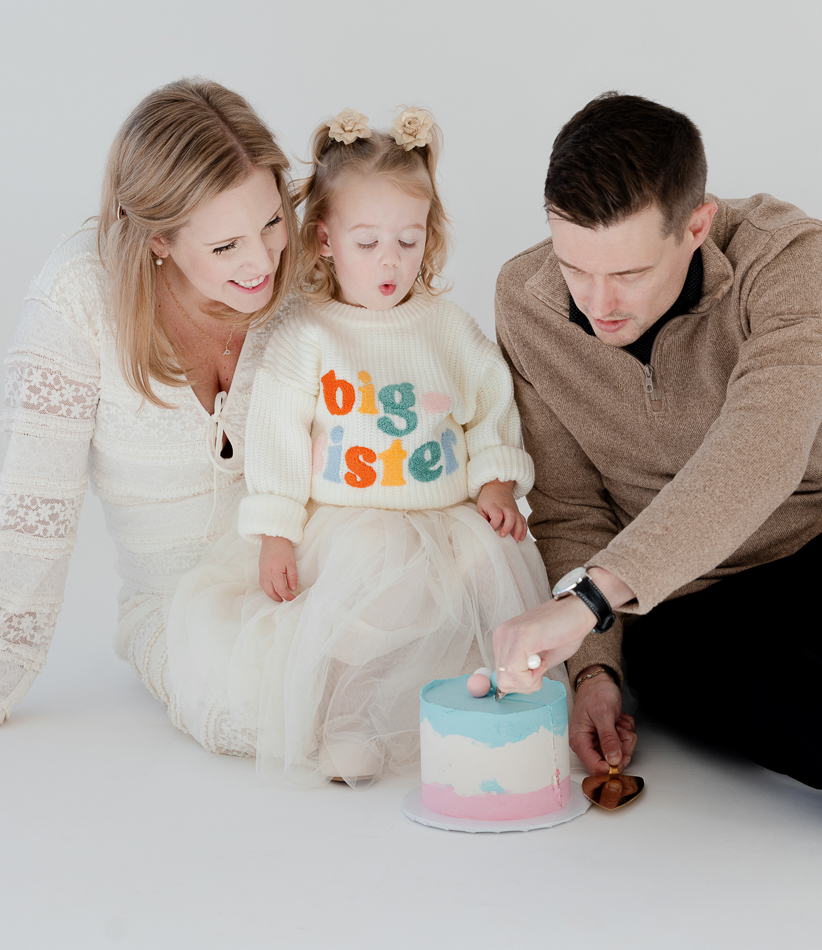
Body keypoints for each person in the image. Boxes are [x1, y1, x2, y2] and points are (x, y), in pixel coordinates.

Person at [492, 91, 822, 853]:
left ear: (695, 224)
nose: (597, 304)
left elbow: (761, 447)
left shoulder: (788, 253)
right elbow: (567, 507)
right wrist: (594, 669)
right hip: (686, 615)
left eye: (627, 273)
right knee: (783, 706)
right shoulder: (524, 301)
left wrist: (588, 601)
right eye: (574, 268)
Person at [166, 106, 557, 787]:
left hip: (443, 521)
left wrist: (496, 480)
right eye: (368, 242)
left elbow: (491, 407)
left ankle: (488, 714)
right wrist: (277, 533)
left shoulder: (445, 327)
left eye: (408, 241)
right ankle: (349, 723)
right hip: (353, 524)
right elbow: (278, 442)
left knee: (476, 597)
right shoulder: (309, 334)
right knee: (364, 617)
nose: (390, 260)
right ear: (324, 239)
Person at [0, 78, 301, 735]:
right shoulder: (78, 299)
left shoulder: (302, 269)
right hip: (177, 604)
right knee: (258, 713)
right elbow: (31, 518)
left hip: (308, 570)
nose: (262, 261)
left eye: (272, 221)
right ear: (159, 240)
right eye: (225, 247)